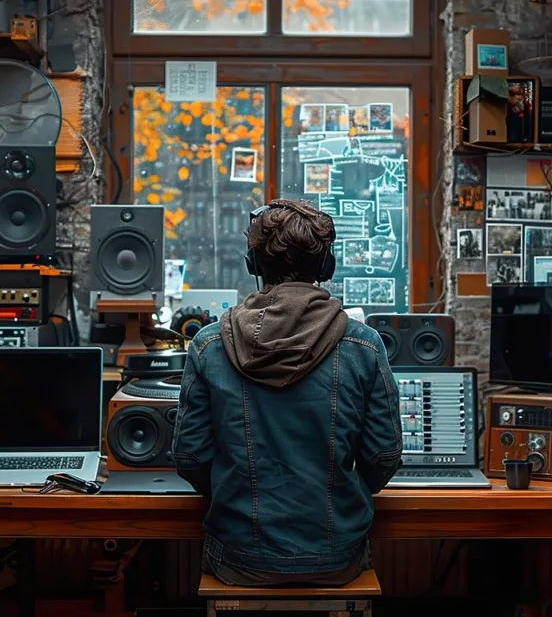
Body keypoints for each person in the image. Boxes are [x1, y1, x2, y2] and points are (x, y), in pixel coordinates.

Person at [172, 199, 403, 587]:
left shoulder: (208, 344)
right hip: (337, 557)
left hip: (238, 558)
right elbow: (383, 455)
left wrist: (233, 496)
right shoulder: (364, 345)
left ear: (254, 264)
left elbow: (190, 455)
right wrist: (341, 497)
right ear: (325, 267)